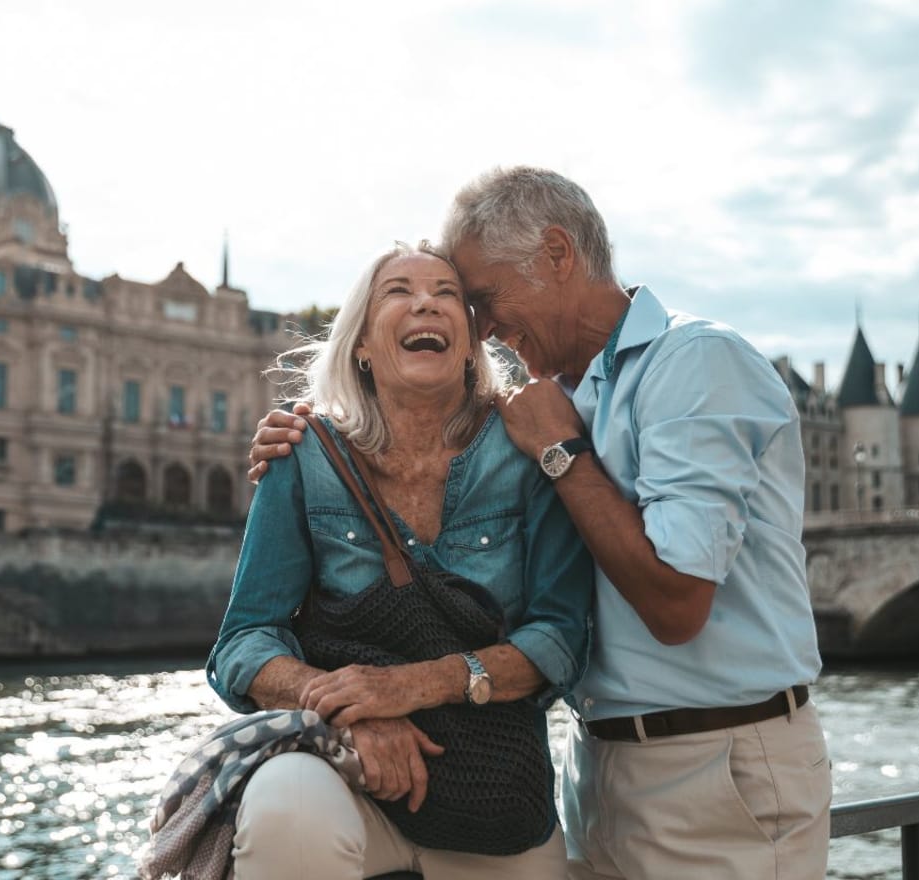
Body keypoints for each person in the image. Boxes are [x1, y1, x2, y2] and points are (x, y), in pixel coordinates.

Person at [250, 169, 831, 880]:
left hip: (719, 766)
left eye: (480, 299)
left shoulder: (696, 362)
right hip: (600, 768)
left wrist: (562, 454)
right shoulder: (557, 397)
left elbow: (677, 604)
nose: (482, 327)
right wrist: (300, 445)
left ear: (557, 255)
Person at [208, 241, 593, 880]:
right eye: (398, 291)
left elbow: (559, 641)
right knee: (284, 814)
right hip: (344, 772)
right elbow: (242, 642)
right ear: (360, 344)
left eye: (447, 294)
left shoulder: (529, 450)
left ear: (472, 343)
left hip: (495, 788)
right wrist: (341, 710)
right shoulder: (305, 453)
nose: (425, 303)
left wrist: (403, 689)